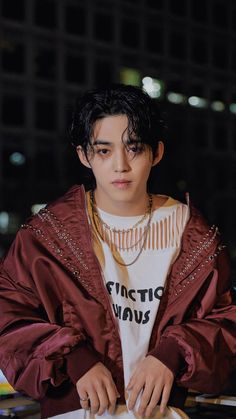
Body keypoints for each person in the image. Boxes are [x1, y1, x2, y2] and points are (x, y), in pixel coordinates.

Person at [0, 84, 235, 419]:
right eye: (104, 151)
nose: (120, 166)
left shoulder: (193, 235)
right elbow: (9, 318)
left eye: (134, 148)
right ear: (84, 155)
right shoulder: (46, 236)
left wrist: (173, 353)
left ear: (157, 153)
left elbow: (226, 323)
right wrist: (73, 357)